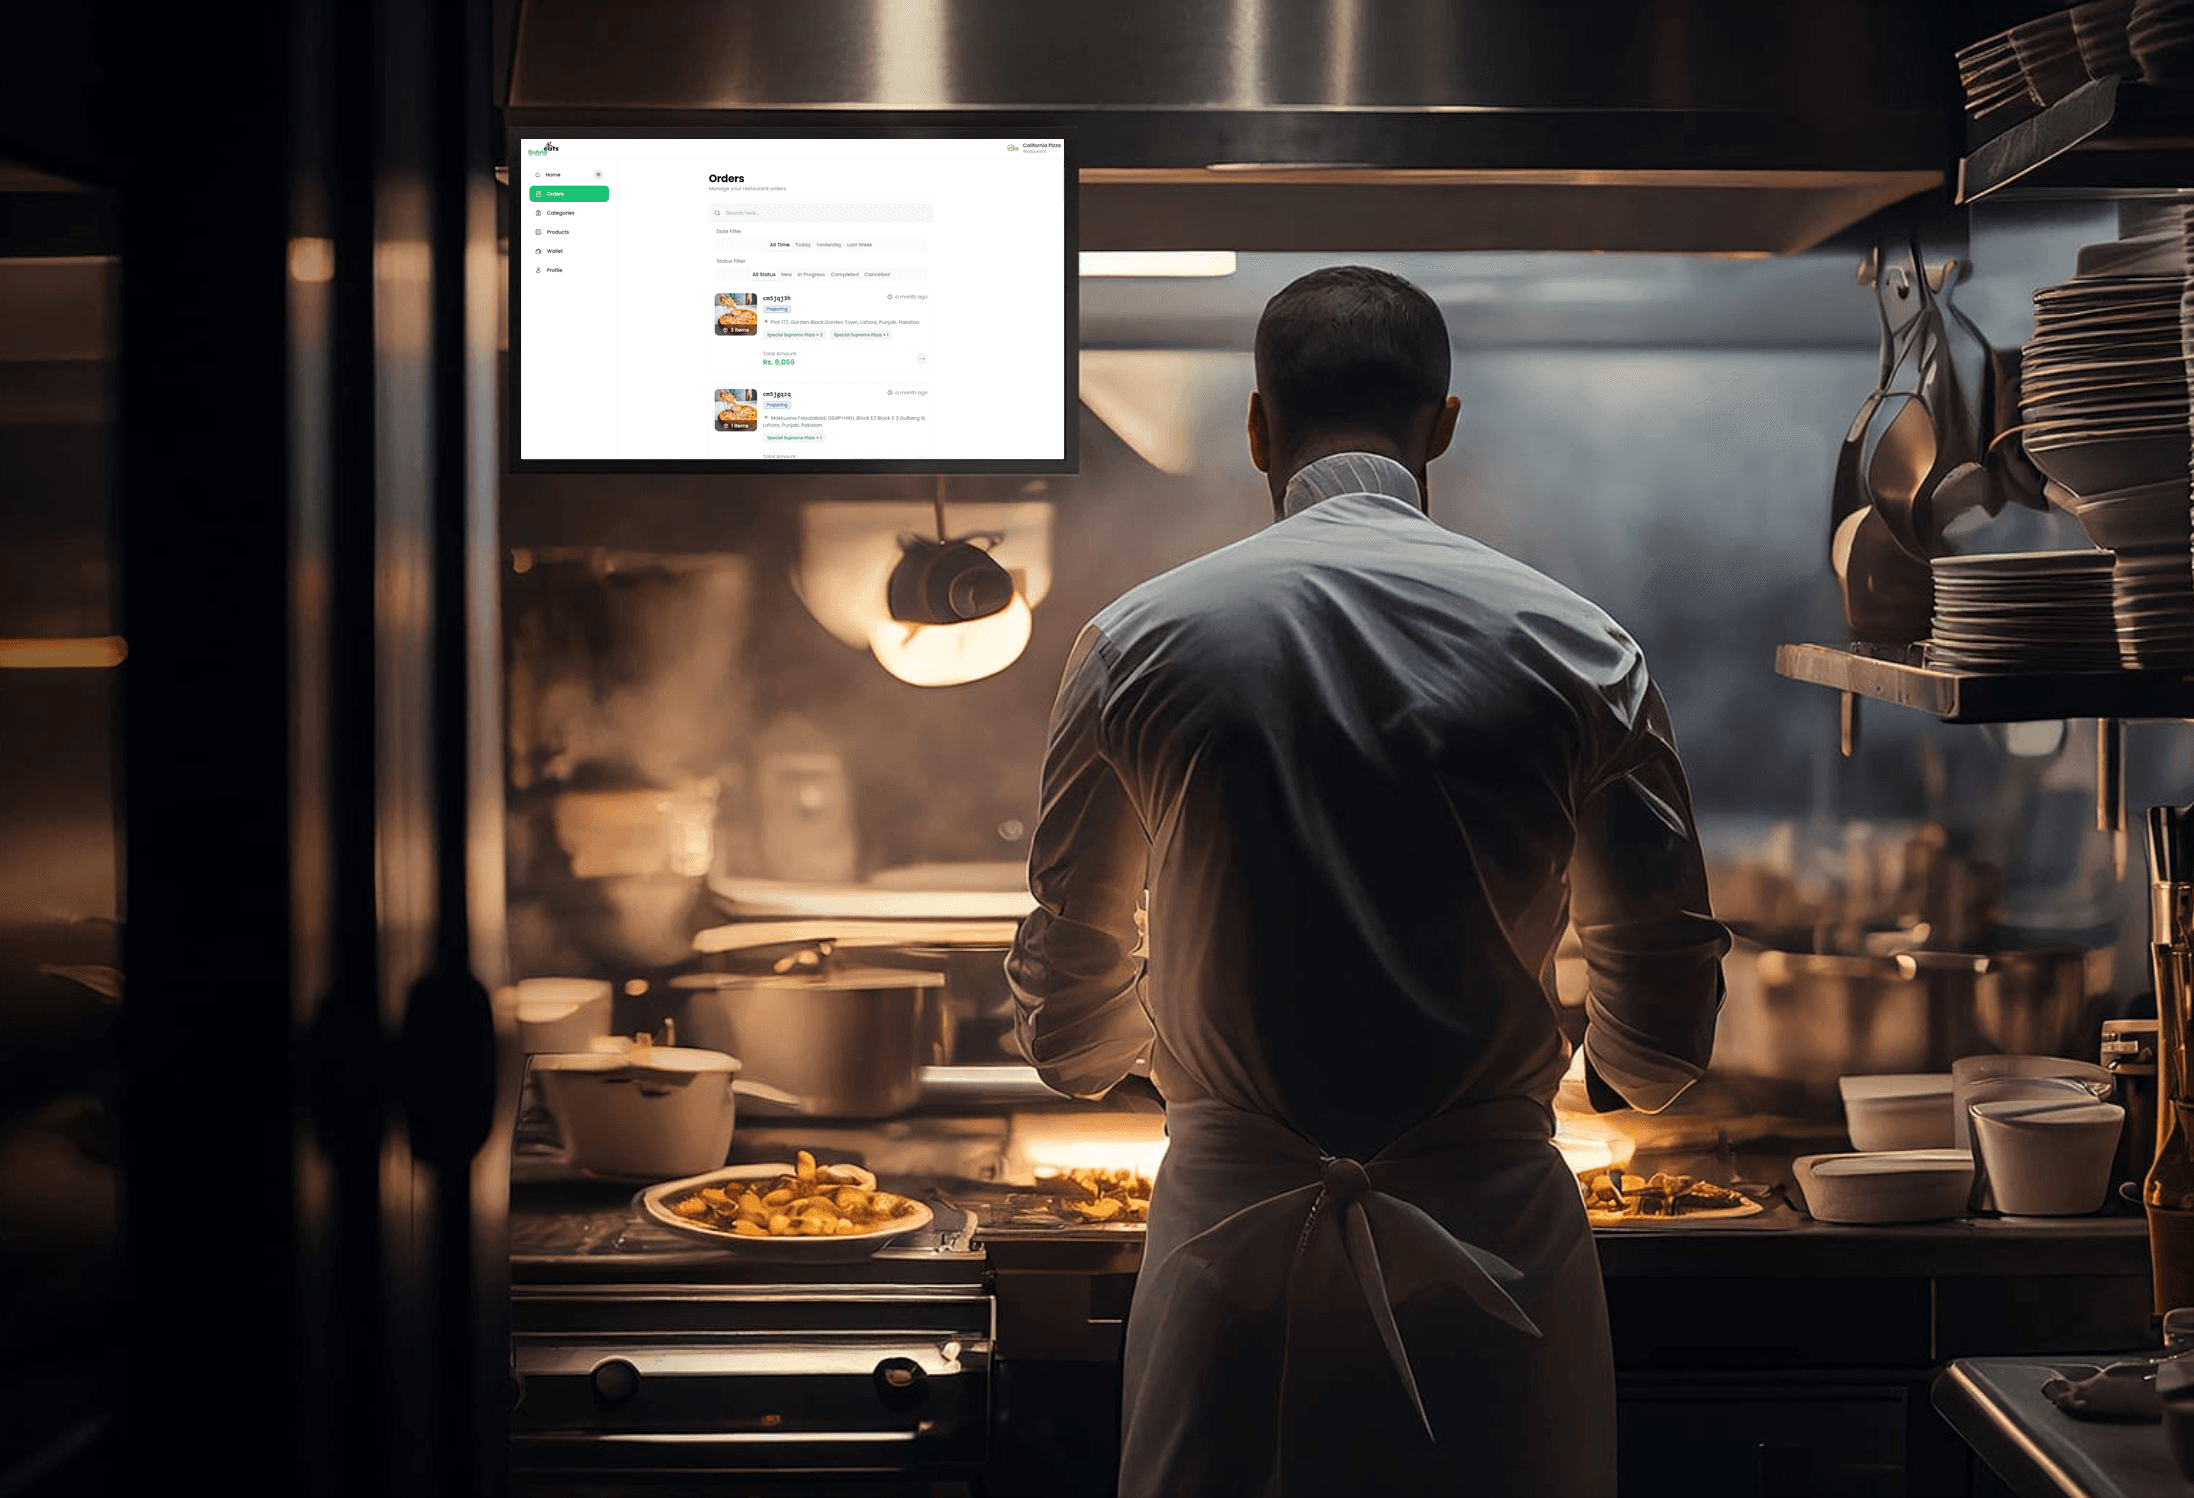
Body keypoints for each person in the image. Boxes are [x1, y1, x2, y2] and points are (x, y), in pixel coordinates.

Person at [1004, 265, 1731, 1497]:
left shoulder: (1138, 638)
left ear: (1254, 425)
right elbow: (1659, 1034)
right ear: (1442, 422)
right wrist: (1607, 1078)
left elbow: (1067, 1022)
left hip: (1225, 1277)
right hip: (1495, 1278)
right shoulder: (1577, 642)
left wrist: (1201, 1091)